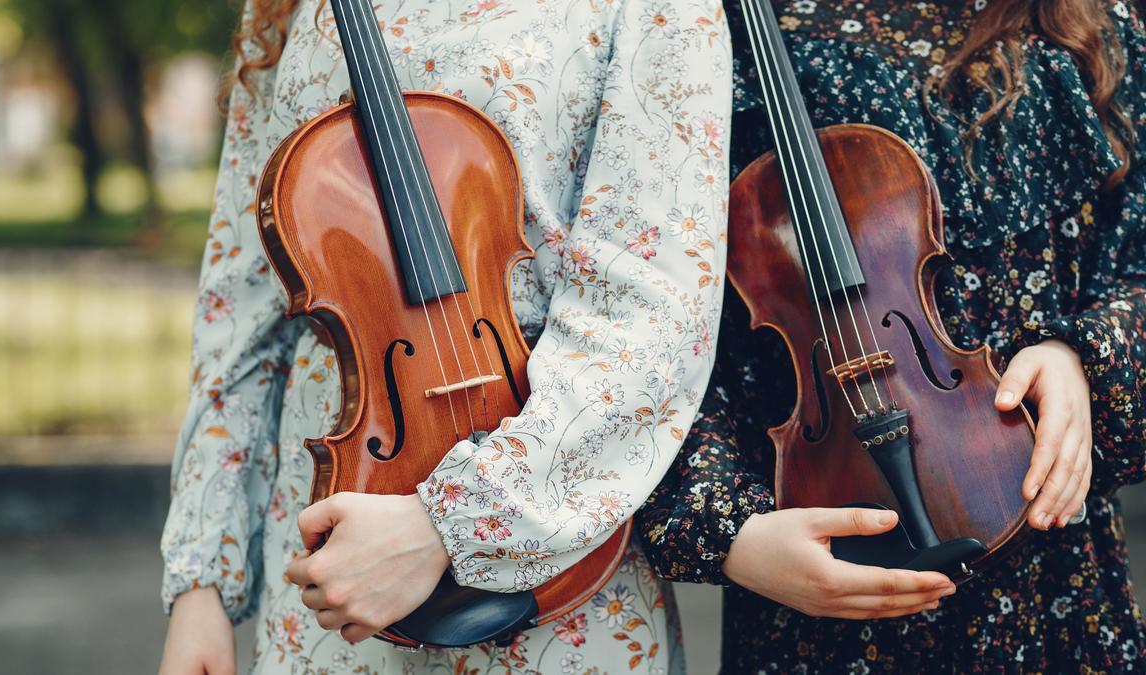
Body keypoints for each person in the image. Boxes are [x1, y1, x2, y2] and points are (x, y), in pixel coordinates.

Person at [155, 0, 756, 672]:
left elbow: (650, 312)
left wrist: (449, 522)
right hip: (328, 549)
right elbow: (240, 304)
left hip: (553, 542)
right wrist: (200, 578)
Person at [639, 0, 1146, 671]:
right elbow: (652, 328)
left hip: (1053, 556)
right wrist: (735, 533)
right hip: (828, 551)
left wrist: (1081, 357)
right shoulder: (706, 35)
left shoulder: (1085, 19)